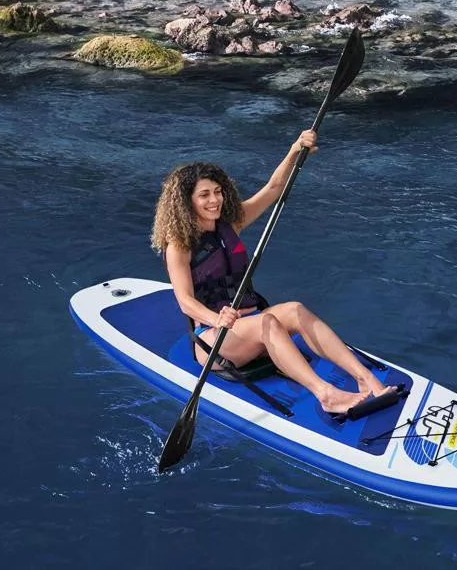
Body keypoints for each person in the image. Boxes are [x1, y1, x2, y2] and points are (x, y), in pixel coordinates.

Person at [151, 130, 394, 414]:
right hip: (215, 338)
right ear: (186, 201)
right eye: (204, 195)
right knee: (268, 323)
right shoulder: (179, 245)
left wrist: (294, 151)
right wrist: (216, 318)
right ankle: (326, 395)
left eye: (217, 192)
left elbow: (273, 189)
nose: (214, 200)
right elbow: (185, 301)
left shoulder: (231, 223)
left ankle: (366, 379)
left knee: (295, 309)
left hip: (251, 319)